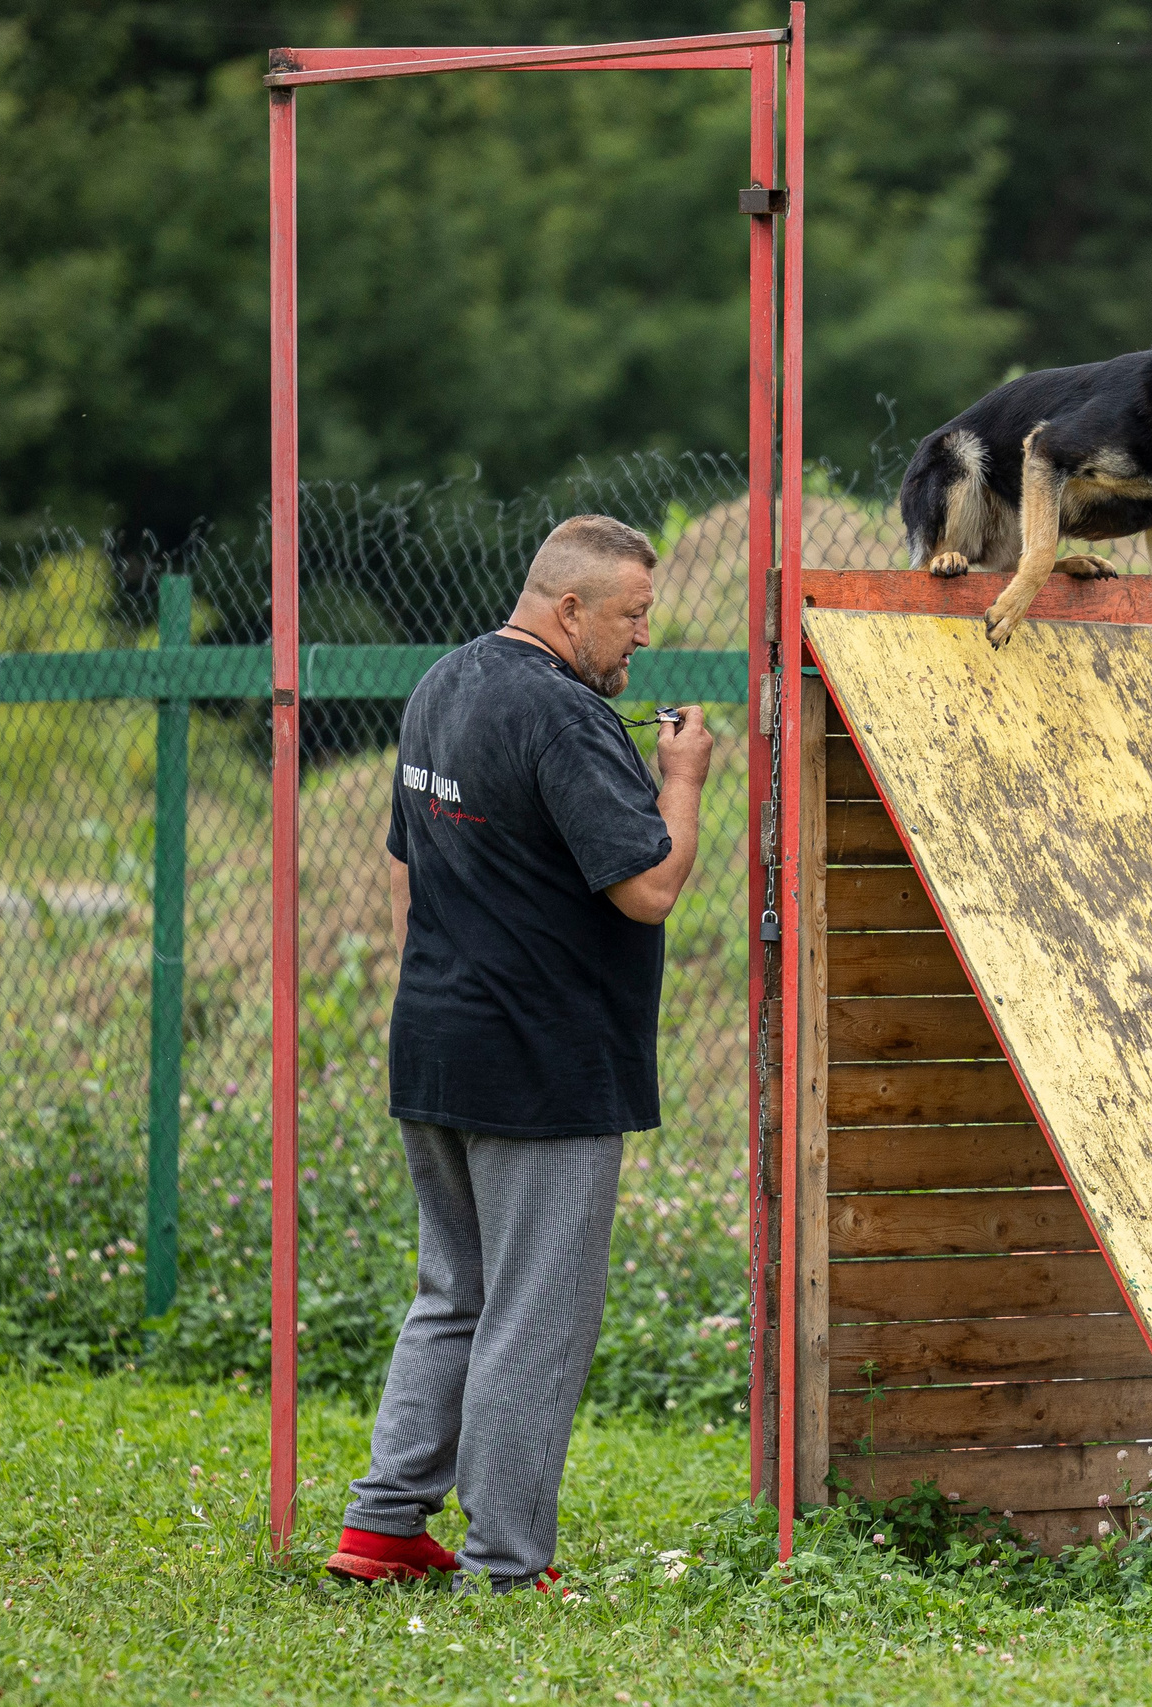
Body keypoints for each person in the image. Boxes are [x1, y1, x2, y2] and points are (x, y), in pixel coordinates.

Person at [325, 514, 713, 1592]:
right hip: (544, 1064)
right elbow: (648, 888)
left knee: (453, 1292)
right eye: (632, 617)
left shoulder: (441, 685)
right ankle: (505, 1565)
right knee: (536, 1316)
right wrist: (682, 776)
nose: (641, 642)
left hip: (438, 1040)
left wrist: (460, 981)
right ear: (570, 607)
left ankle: (383, 1528)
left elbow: (405, 870)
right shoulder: (564, 714)